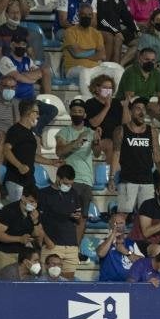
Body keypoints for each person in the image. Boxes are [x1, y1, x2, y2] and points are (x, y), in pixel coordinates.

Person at [55, 101, 99, 245]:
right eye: (74, 111)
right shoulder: (64, 132)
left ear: (85, 114)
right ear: (70, 113)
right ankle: (63, 244)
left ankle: (75, 247)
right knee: (67, 215)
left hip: (86, 180)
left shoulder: (91, 133)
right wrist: (77, 141)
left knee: (82, 217)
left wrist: (97, 143)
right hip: (69, 180)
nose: (77, 114)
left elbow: (97, 154)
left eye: (80, 111)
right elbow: (59, 151)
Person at [109, 98, 160, 216]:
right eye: (138, 109)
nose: (141, 112)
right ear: (131, 111)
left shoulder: (152, 131)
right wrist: (111, 177)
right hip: (127, 180)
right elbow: (116, 154)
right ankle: (114, 235)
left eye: (143, 109)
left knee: (146, 217)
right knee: (122, 216)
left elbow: (157, 156)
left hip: (147, 180)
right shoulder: (121, 130)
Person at [1, 101, 57, 204]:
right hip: (16, 180)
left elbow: (31, 155)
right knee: (18, 212)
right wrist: (19, 166)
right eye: (36, 112)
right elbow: (6, 150)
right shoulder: (15, 130)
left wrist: (51, 162)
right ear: (28, 113)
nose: (38, 116)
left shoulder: (30, 132)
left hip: (29, 180)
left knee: (37, 208)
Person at [36, 164, 82, 279]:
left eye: (71, 183)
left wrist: (78, 217)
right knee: (47, 280)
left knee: (68, 283)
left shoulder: (74, 193)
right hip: (52, 245)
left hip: (71, 246)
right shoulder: (43, 194)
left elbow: (79, 221)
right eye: (66, 183)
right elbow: (36, 221)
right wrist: (47, 241)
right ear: (58, 178)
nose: (68, 186)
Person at [0, 187, 43, 274]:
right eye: (31, 201)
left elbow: (36, 234)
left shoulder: (34, 213)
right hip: (4, 253)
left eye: (36, 202)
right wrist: (19, 239)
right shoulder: (8, 210)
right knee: (5, 282)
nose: (34, 205)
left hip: (21, 255)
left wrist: (35, 221)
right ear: (23, 198)